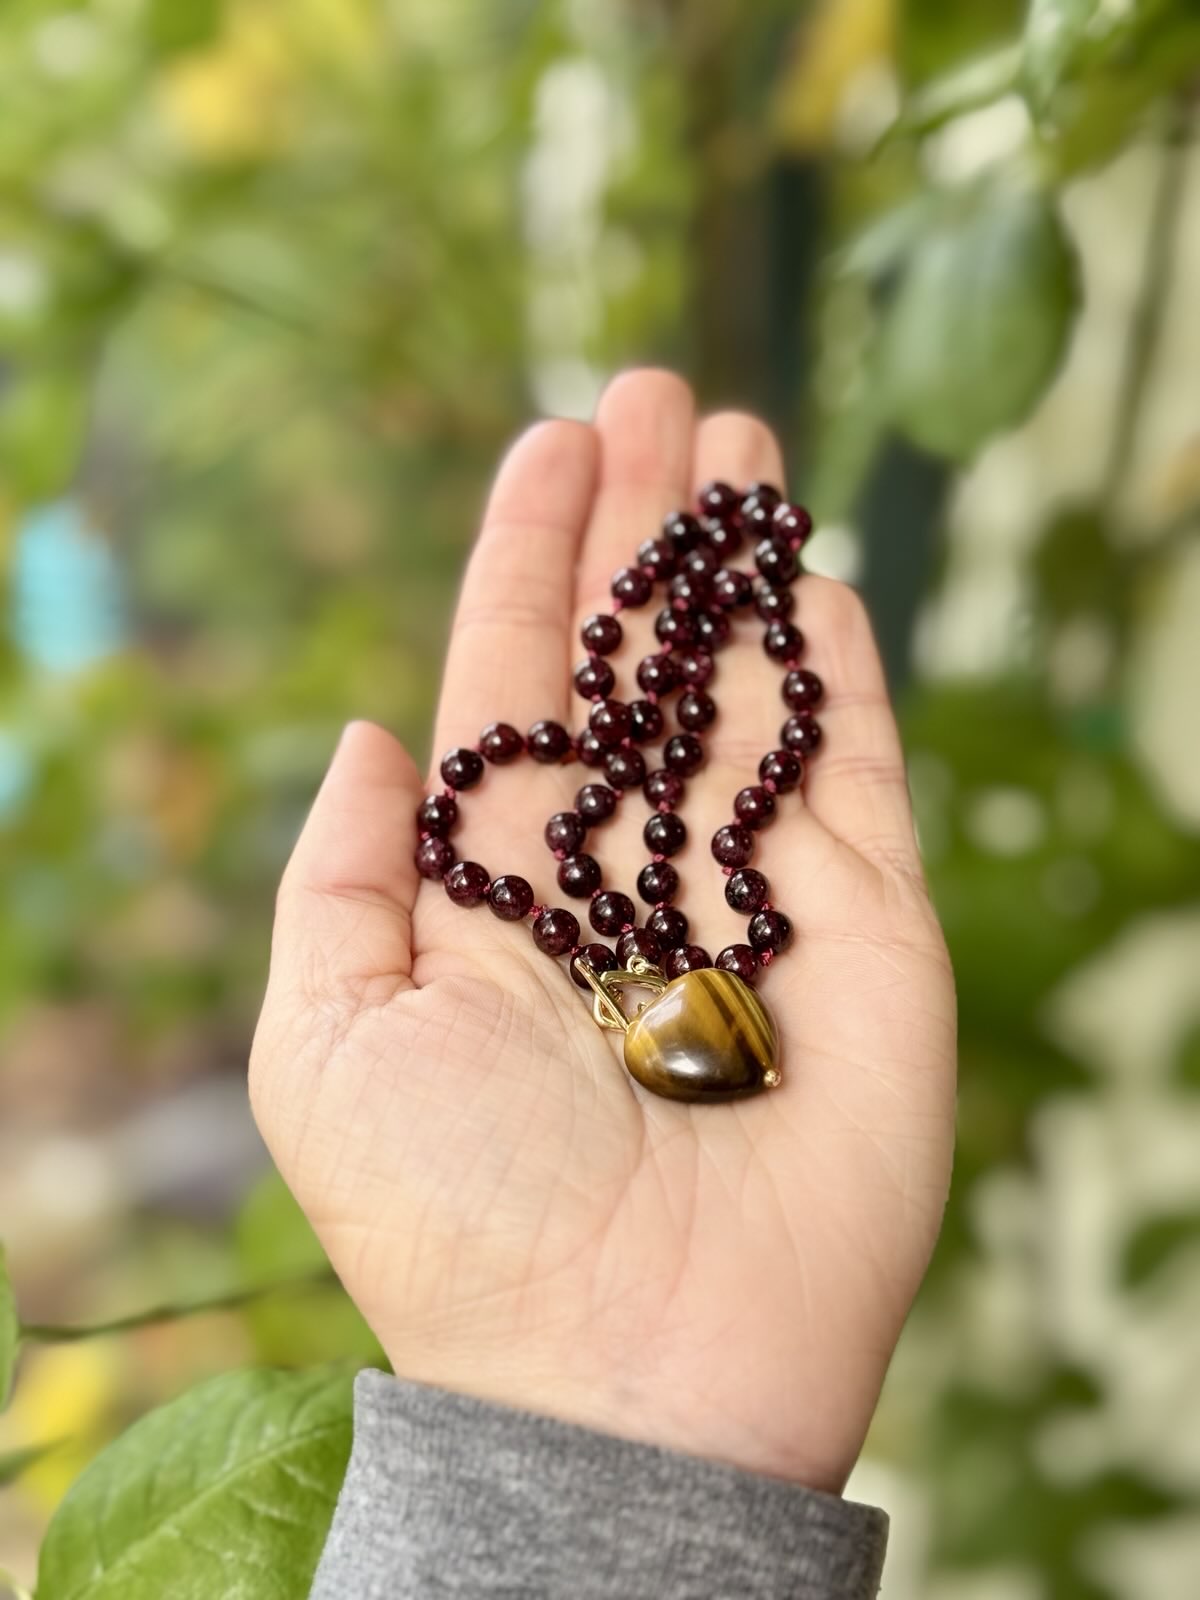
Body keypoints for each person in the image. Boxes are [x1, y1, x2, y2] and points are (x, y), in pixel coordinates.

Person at [249, 369, 958, 1598]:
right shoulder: (634, 969)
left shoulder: (664, 967)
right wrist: (599, 1401)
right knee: (698, 830)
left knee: (714, 832)